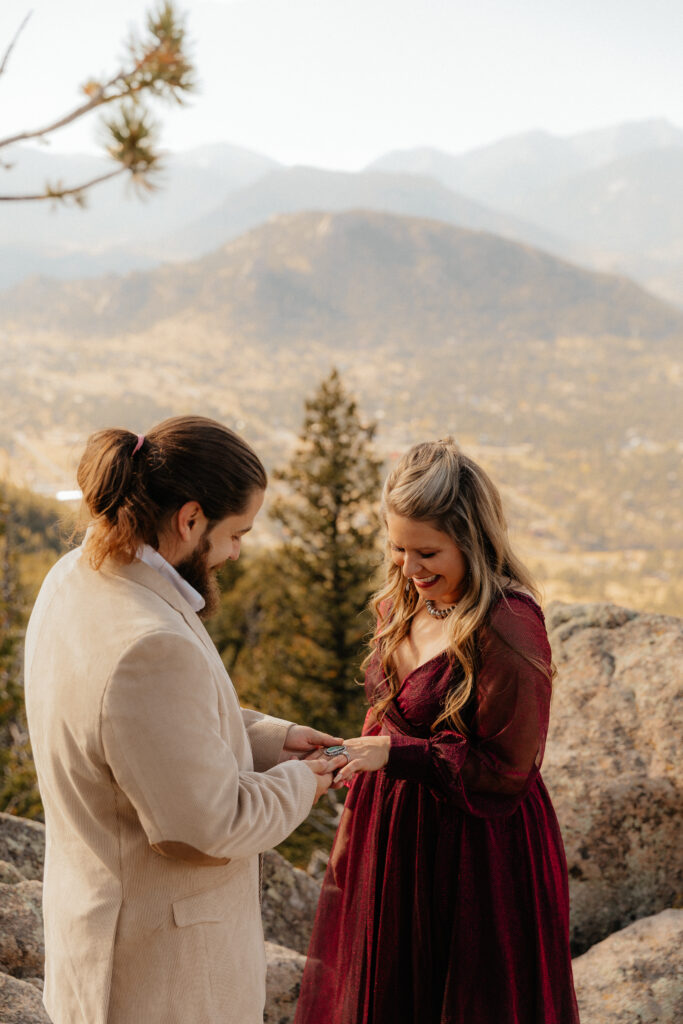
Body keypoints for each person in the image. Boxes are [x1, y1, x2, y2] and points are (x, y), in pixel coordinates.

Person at [24, 415, 347, 1024]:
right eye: (236, 533)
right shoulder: (150, 645)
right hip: (161, 977)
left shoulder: (73, 579)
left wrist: (275, 741)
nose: (236, 552)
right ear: (190, 518)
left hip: (94, 941)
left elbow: (138, 731)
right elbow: (209, 827)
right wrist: (308, 780)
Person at [294, 439, 580, 1024]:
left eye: (427, 552)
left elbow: (507, 769)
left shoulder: (508, 625)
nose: (408, 567)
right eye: (397, 548)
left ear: (472, 541)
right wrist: (352, 760)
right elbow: (389, 718)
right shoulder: (400, 602)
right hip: (392, 833)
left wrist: (396, 755)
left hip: (476, 850)